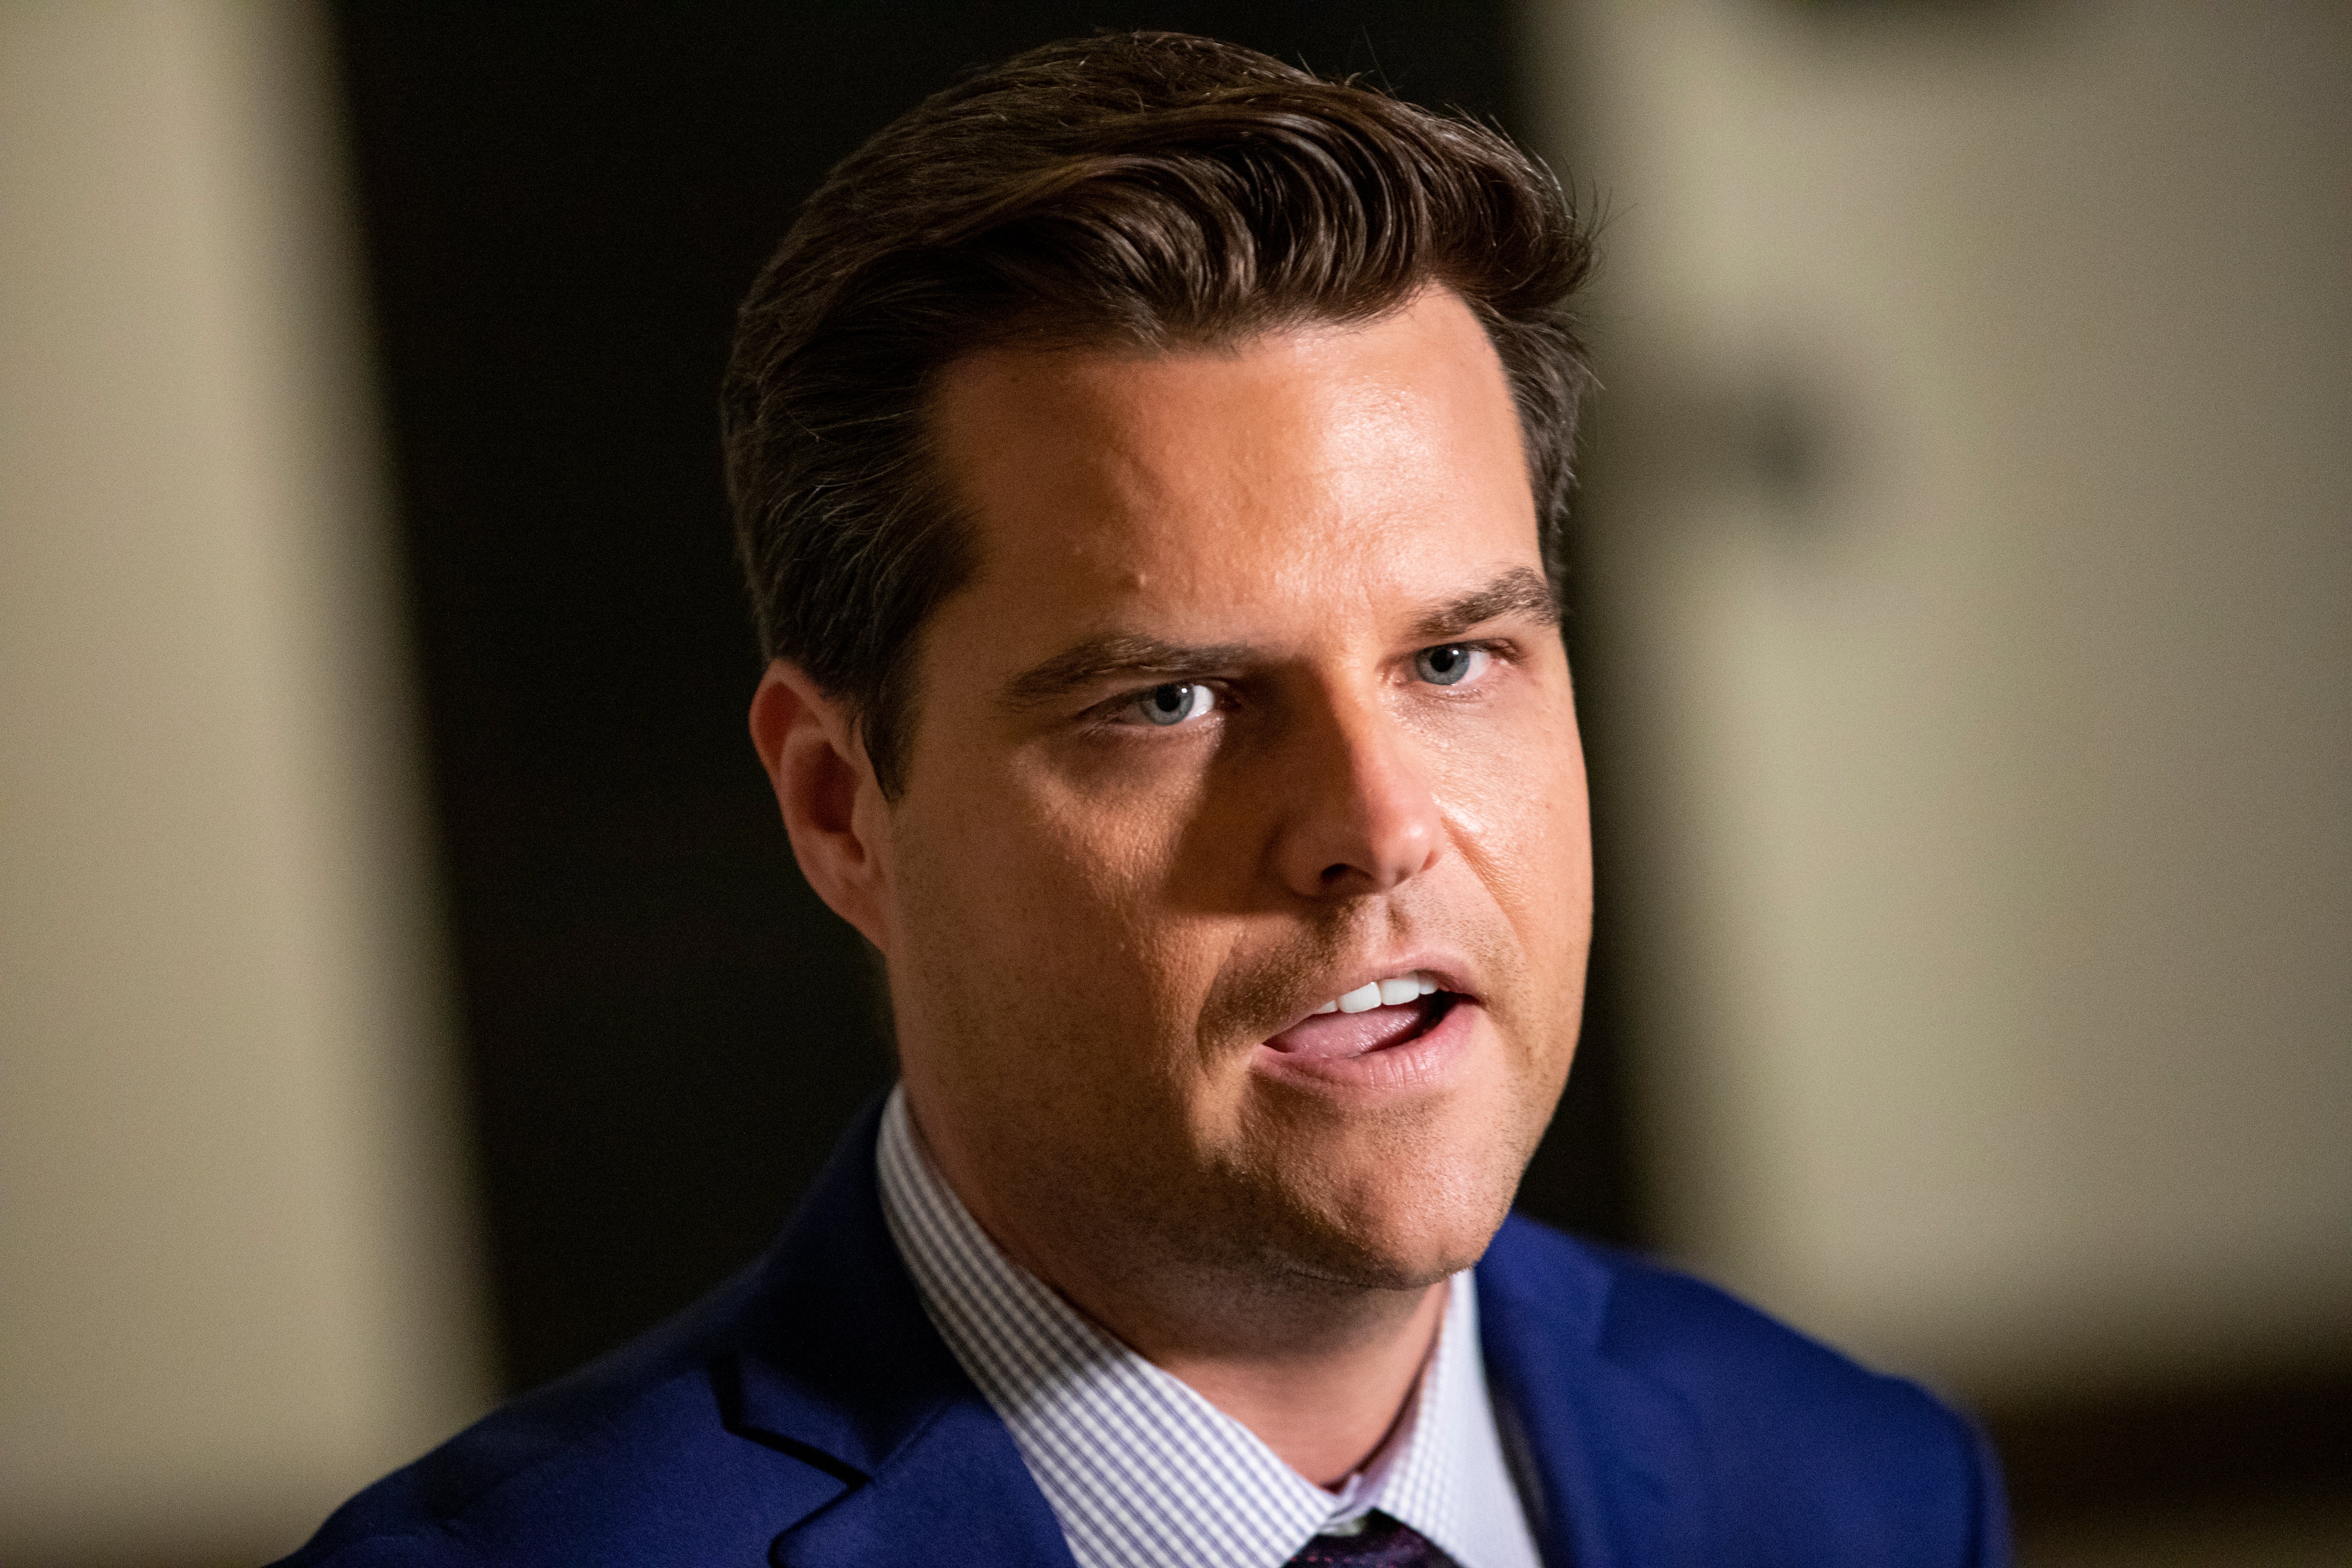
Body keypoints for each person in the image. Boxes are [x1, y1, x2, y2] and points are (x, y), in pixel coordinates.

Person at [279, 31, 2007, 1568]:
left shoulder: (1867, 1490)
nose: (1377, 825)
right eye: (1172, 699)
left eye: (1455, 659)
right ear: (838, 807)